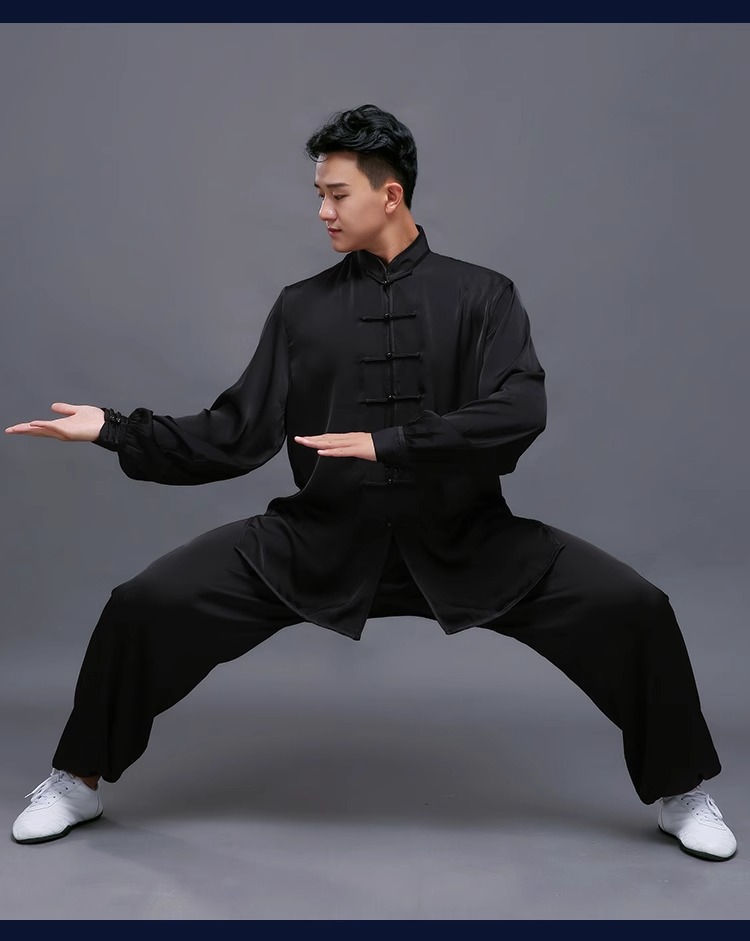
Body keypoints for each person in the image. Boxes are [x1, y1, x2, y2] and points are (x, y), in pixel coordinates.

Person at [5, 104, 736, 862]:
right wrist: (113, 428)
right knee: (144, 603)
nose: (322, 211)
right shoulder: (301, 307)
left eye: (337, 194)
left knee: (635, 608)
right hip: (319, 539)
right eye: (318, 194)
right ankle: (77, 779)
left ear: (391, 195)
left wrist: (392, 443)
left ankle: (681, 789)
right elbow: (235, 433)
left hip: (467, 541)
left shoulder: (484, 295)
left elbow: (520, 411)